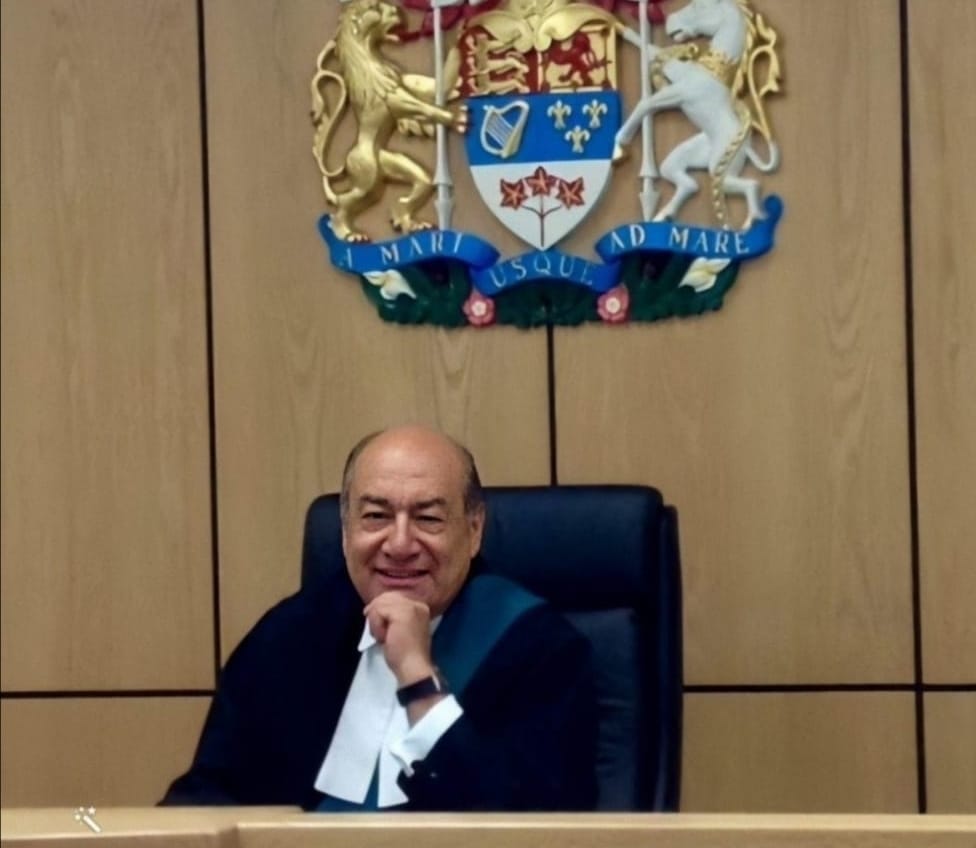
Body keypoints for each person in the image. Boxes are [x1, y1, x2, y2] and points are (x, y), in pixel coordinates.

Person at [162, 425, 597, 810]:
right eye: (375, 517)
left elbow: (535, 824)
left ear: (474, 530)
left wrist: (417, 675)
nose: (400, 544)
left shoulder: (541, 650)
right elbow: (210, 795)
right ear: (346, 529)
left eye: (428, 518)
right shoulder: (288, 637)